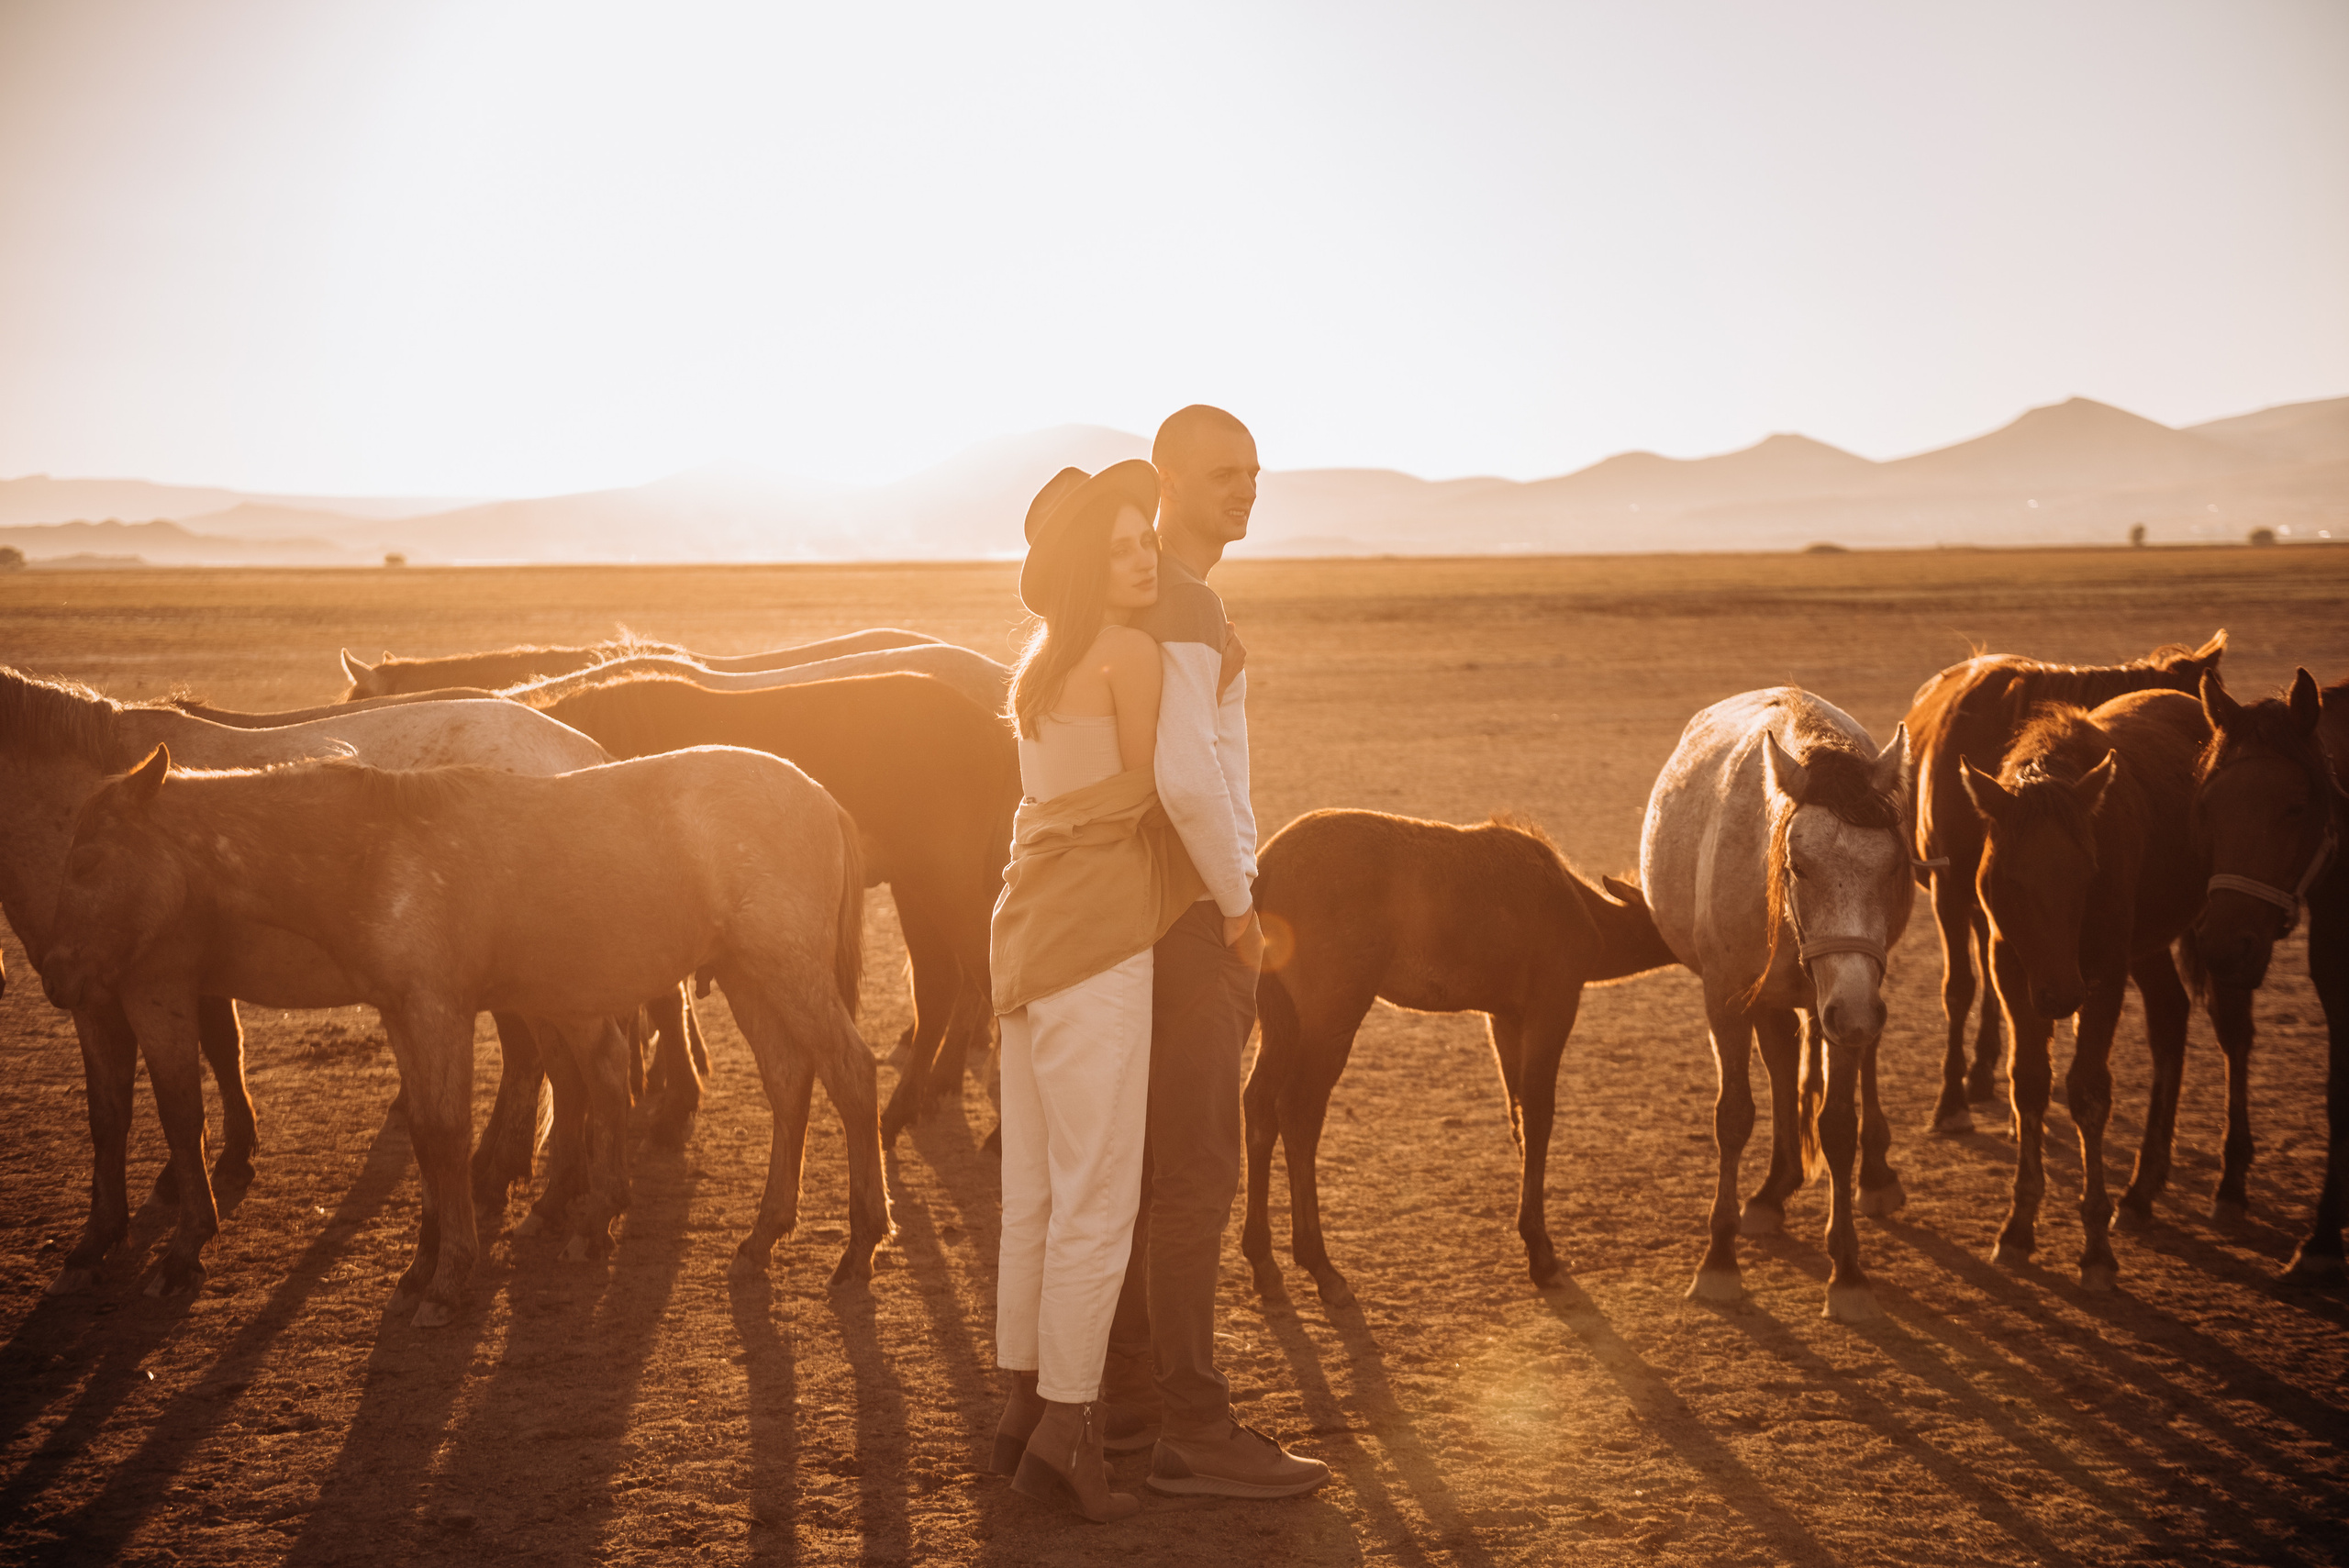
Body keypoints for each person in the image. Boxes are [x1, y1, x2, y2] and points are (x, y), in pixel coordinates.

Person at [1104, 406, 1330, 1498]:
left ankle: (1124, 1409)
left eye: (1253, 473)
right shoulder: (1185, 601)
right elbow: (1195, 779)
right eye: (1220, 475)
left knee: (1143, 1175)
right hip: (1195, 916)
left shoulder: (1122, 595)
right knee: (1195, 1177)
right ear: (1164, 478)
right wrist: (1240, 908)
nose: (1244, 491)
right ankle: (1191, 1427)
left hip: (1126, 912)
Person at [988, 459, 1208, 1524]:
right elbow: (1155, 799)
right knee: (1097, 1196)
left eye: (1144, 542)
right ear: (1085, 564)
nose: (1142, 558)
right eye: (1120, 546)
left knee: (1032, 1190)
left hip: (1025, 943)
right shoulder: (1128, 654)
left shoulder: (1036, 663)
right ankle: (1070, 1430)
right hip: (1095, 947)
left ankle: (1019, 1403)